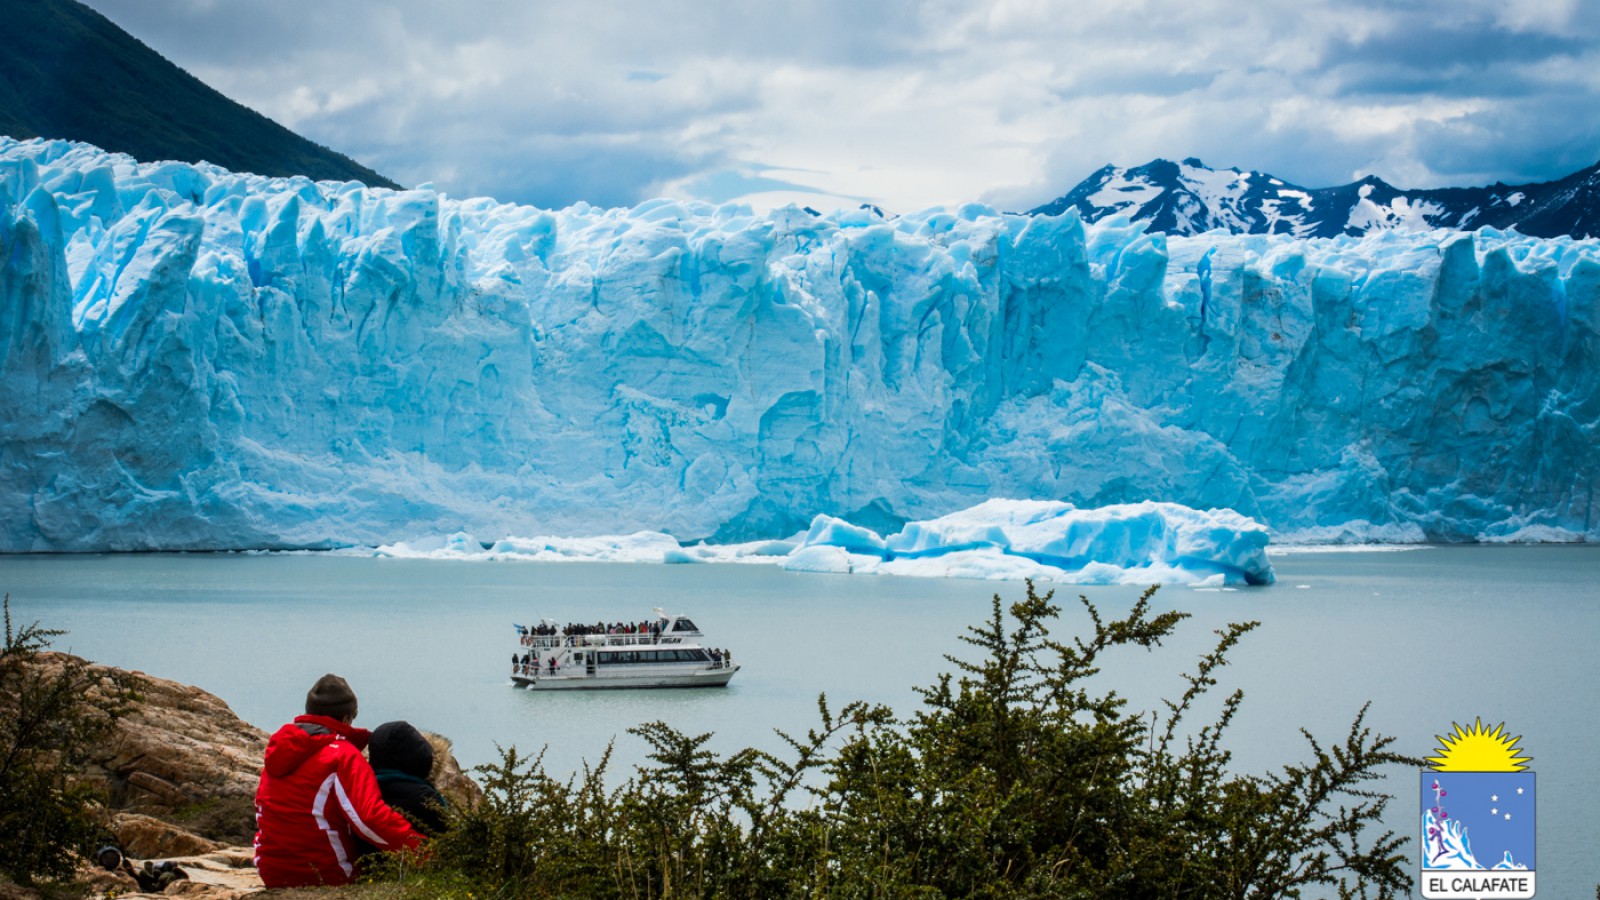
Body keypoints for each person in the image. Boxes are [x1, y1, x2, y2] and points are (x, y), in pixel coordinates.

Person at [253, 674, 425, 887]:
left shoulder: (278, 751)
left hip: (270, 871)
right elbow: (369, 819)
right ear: (346, 718)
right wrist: (425, 852)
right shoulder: (342, 755)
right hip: (326, 873)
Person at [358, 721, 450, 844]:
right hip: (419, 860)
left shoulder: (362, 790)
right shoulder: (424, 797)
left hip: (366, 861)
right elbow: (447, 838)